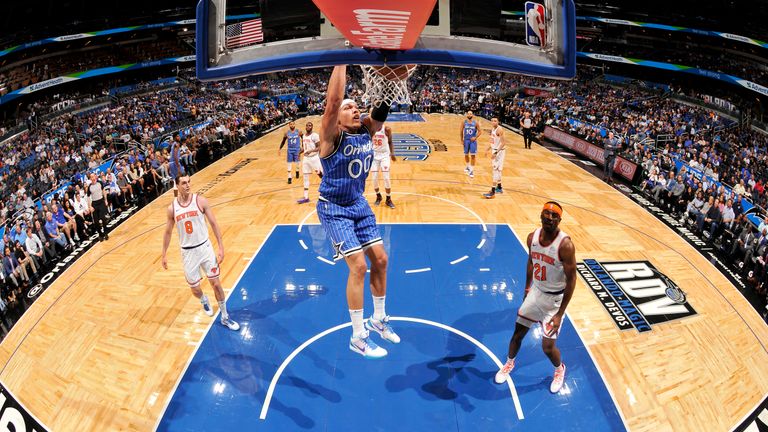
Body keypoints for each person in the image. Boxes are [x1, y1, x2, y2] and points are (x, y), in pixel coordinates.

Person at [317, 65, 399, 359]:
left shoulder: (365, 130)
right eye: (348, 107)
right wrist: (342, 60)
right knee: (359, 267)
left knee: (381, 259)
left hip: (358, 205)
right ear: (337, 116)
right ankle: (358, 336)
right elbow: (333, 102)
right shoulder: (330, 136)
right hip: (334, 208)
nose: (354, 109)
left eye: (356, 106)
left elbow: (379, 114)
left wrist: (391, 82)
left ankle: (378, 320)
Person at [494, 201, 576, 394]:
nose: (549, 217)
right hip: (536, 293)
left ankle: (559, 369)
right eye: (546, 213)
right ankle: (509, 363)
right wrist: (527, 286)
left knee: (547, 347)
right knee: (517, 333)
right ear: (540, 215)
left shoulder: (565, 245)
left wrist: (560, 313)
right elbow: (531, 260)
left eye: (554, 215)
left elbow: (572, 280)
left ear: (559, 220)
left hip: (554, 302)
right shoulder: (532, 237)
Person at [161, 174, 239, 331]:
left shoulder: (201, 201)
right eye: (184, 183)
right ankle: (204, 299)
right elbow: (168, 232)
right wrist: (164, 254)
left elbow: (214, 223)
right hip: (188, 253)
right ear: (177, 185)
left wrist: (221, 247)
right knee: (195, 289)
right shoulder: (172, 209)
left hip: (205, 248)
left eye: (189, 182)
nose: (188, 185)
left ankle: (225, 316)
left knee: (216, 284)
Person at [371, 123, 396, 208]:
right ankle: (378, 196)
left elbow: (390, 142)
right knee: (374, 179)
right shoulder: (370, 129)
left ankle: (388, 199)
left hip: (385, 156)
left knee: (386, 178)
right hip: (374, 156)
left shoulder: (386, 129)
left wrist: (392, 153)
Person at [297, 121, 322, 204]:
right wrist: (299, 153)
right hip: (306, 159)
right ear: (305, 127)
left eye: (310, 125)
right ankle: (306, 197)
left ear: (312, 127)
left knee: (321, 175)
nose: (308, 126)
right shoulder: (303, 136)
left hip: (314, 158)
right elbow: (304, 147)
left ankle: (328, 192)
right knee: (305, 177)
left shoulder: (315, 136)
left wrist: (311, 151)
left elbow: (319, 147)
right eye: (307, 125)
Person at [484, 118, 506, 199]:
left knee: (495, 170)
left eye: (495, 121)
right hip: (495, 150)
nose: (493, 122)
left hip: (499, 152)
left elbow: (503, 143)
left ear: (498, 122)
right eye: (492, 120)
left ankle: (493, 191)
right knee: (498, 170)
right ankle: (499, 187)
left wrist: (496, 153)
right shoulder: (493, 129)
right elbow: (493, 141)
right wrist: (488, 149)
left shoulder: (499, 130)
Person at [460, 111, 481, 178]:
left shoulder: (476, 123)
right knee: (466, 155)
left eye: (471, 114)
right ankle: (468, 166)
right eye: (468, 113)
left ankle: (471, 170)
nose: (469, 115)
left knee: (473, 156)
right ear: (467, 115)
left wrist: (475, 137)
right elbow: (461, 131)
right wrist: (461, 140)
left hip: (473, 141)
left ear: (472, 115)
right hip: (466, 140)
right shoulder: (464, 122)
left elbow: (480, 131)